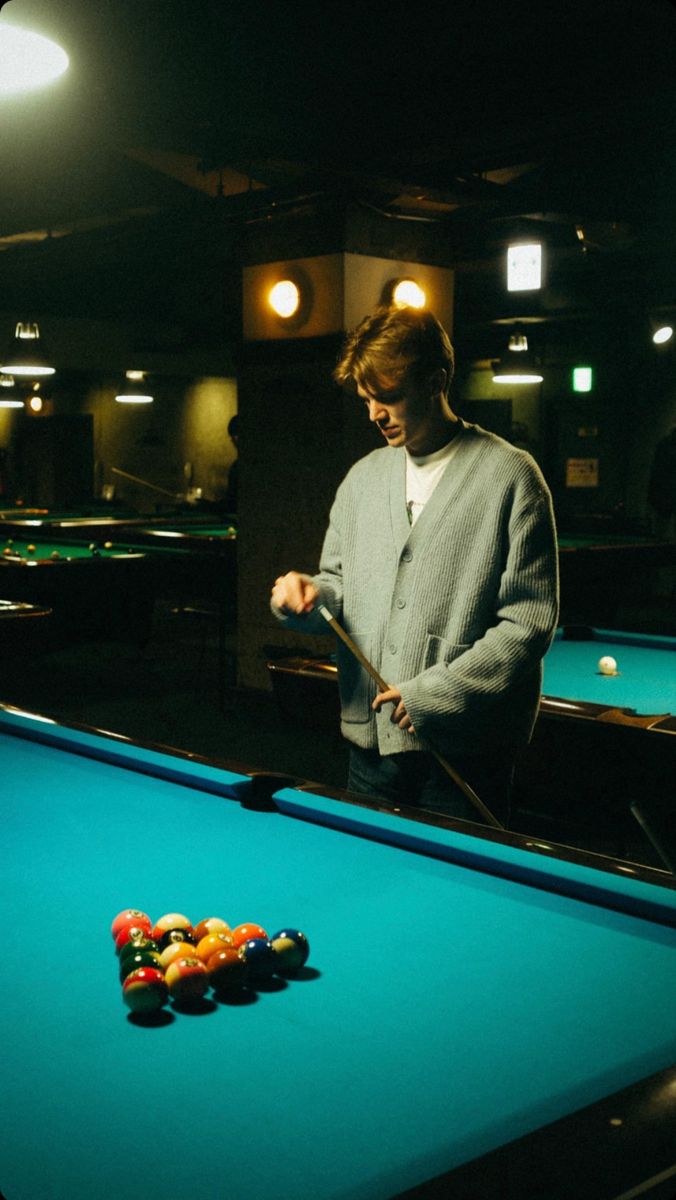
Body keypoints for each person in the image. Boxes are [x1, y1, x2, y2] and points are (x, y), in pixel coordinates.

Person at [270, 305, 559, 825]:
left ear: (437, 382)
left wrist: (436, 694)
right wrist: (305, 596)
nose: (374, 414)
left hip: (464, 750)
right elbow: (338, 587)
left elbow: (528, 624)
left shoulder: (512, 476)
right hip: (369, 747)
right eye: (366, 400)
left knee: (464, 900)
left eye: (389, 397)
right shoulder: (362, 480)